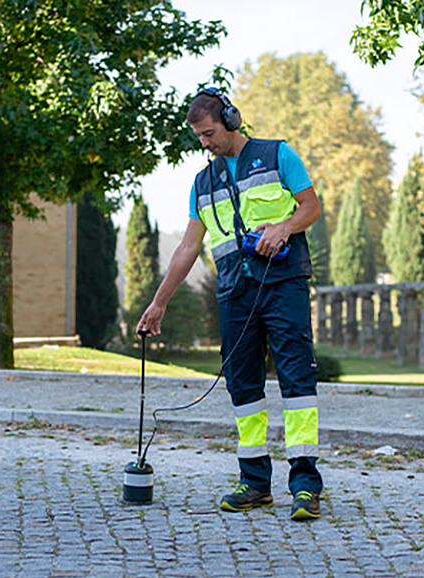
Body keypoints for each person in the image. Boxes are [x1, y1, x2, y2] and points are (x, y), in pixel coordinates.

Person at [137, 87, 323, 521]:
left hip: (283, 284)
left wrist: (285, 226)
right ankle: (255, 482)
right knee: (243, 387)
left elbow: (310, 207)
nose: (204, 143)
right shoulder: (202, 183)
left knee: (296, 380)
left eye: (208, 133)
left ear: (231, 121)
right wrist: (158, 303)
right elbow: (188, 247)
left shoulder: (279, 155)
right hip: (235, 293)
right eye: (199, 137)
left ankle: (304, 485)